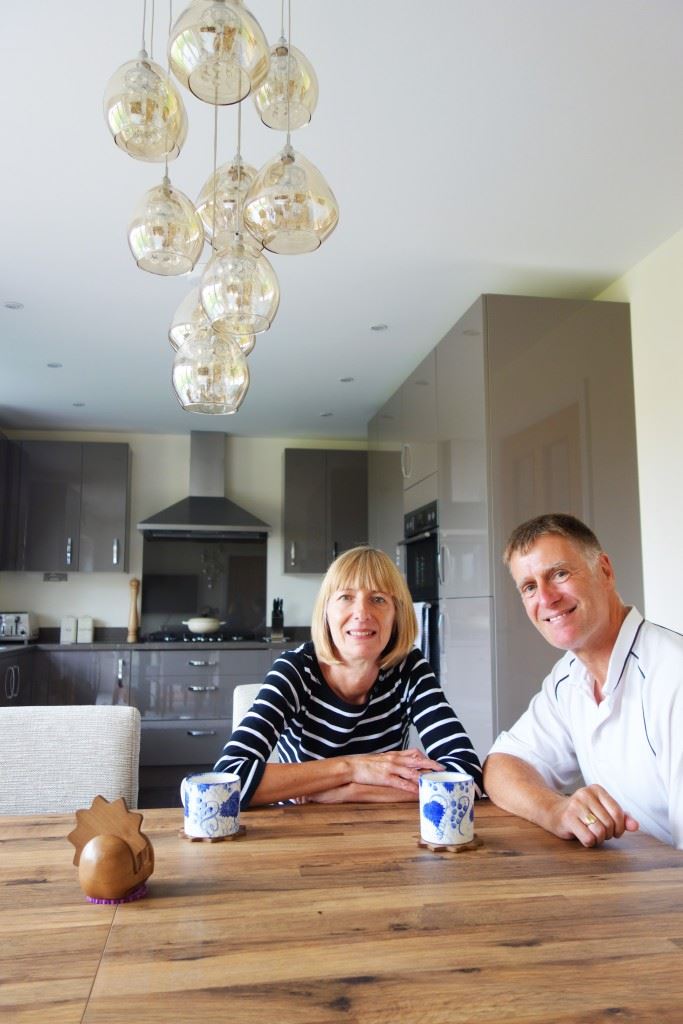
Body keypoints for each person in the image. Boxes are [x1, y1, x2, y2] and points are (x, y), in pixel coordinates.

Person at [215, 546, 482, 808]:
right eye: (345, 597)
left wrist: (347, 792)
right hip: (300, 831)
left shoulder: (408, 667)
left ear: (397, 615)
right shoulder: (295, 669)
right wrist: (352, 768)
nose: (362, 613)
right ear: (326, 612)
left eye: (378, 599)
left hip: (386, 831)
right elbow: (227, 781)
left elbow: (466, 776)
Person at [483, 513, 683, 850]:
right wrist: (556, 810)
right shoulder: (569, 677)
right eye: (529, 587)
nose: (546, 599)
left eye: (559, 574)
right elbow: (501, 766)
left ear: (604, 570)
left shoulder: (672, 675)